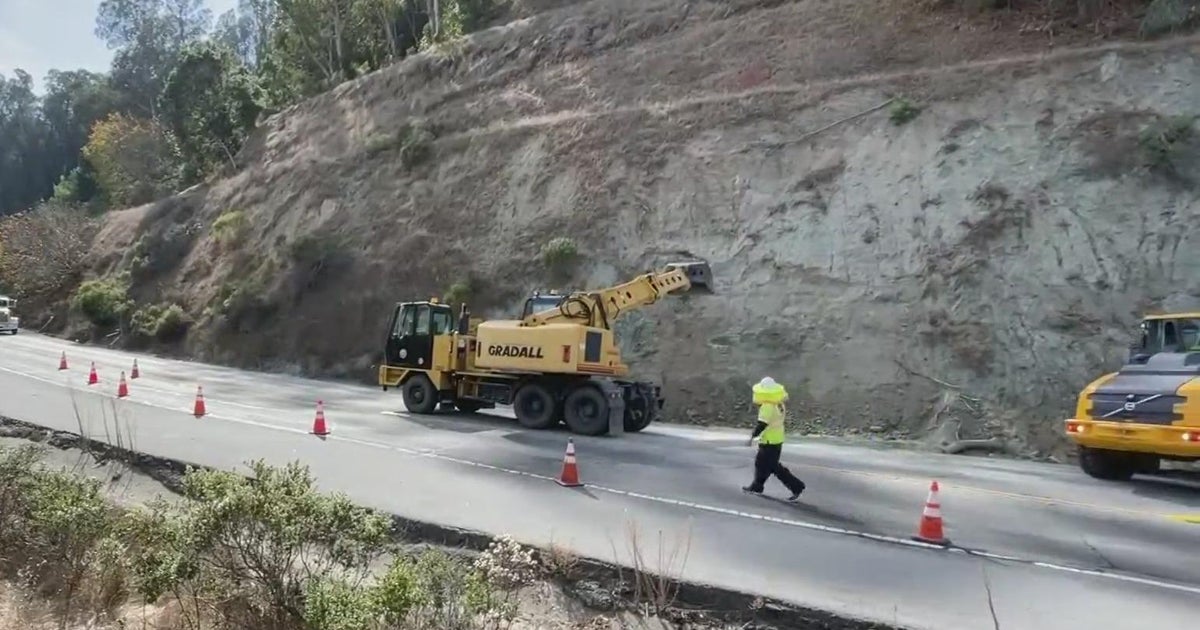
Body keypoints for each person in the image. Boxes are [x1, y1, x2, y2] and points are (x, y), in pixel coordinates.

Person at [742, 376, 806, 501]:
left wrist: (753, 436)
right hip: (777, 438)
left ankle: (797, 487)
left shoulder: (767, 406)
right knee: (761, 463)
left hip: (769, 441)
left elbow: (762, 424)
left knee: (774, 467)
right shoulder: (779, 403)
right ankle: (757, 486)